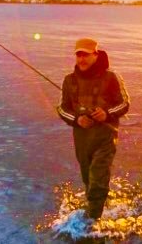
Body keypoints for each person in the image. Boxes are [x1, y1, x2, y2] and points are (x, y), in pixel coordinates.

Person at [57, 38, 130, 219]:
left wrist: (106, 114)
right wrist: (77, 119)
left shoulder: (111, 77)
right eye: (78, 55)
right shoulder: (69, 80)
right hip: (82, 140)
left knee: (98, 176)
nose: (81, 59)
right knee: (88, 179)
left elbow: (124, 104)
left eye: (86, 55)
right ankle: (98, 206)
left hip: (105, 137)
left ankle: (92, 223)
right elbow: (62, 109)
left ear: (96, 55)